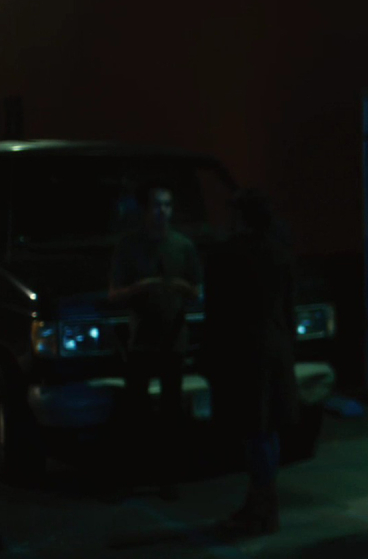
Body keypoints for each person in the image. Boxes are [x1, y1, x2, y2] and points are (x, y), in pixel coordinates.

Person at [204, 187, 298, 536]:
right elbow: (289, 308)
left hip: (243, 352)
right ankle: (262, 503)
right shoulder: (281, 253)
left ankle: (263, 506)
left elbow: (217, 312)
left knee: (254, 431)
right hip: (276, 348)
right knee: (267, 430)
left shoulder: (225, 255)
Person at [109, 182, 202, 492]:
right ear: (145, 210)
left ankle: (168, 476)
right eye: (157, 205)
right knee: (135, 410)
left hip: (173, 340)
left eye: (167, 205)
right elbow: (114, 294)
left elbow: (197, 291)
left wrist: (181, 288)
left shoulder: (183, 246)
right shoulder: (129, 246)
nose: (163, 211)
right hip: (141, 339)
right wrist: (141, 287)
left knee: (171, 410)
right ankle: (132, 474)